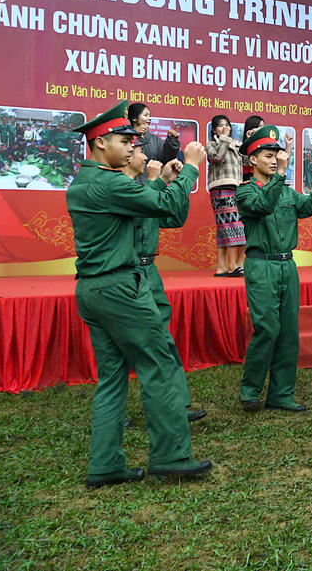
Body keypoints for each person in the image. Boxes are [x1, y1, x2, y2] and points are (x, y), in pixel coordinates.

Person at [67, 101, 212, 487]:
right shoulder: (110, 183)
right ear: (100, 143)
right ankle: (171, 454)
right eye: (124, 141)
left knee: (112, 378)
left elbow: (149, 207)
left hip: (93, 289)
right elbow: (166, 206)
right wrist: (192, 166)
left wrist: (161, 180)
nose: (133, 147)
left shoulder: (85, 182)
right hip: (120, 289)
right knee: (159, 364)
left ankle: (105, 464)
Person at [236, 125, 312, 412]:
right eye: (268, 155)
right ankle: (250, 390)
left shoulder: (287, 193)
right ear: (253, 160)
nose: (275, 159)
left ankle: (281, 394)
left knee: (289, 332)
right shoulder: (244, 191)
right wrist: (279, 176)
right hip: (261, 265)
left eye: (276, 154)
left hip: (287, 265)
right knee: (267, 329)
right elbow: (263, 205)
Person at [121, 142, 205, 424]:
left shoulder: (145, 188)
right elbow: (146, 205)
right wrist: (167, 179)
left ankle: (175, 404)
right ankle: (131, 411)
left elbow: (174, 216)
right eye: (138, 151)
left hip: (149, 271)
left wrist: (170, 183)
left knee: (162, 340)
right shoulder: (122, 188)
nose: (146, 157)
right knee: (136, 345)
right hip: (129, 274)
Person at [206, 114, 246, 277]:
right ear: (214, 129)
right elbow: (217, 158)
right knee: (230, 226)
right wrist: (223, 138)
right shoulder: (212, 144)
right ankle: (232, 266)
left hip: (236, 188)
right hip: (221, 189)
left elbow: (249, 161)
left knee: (225, 227)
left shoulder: (236, 145)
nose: (225, 127)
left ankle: (221, 267)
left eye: (227, 124)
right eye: (220, 125)